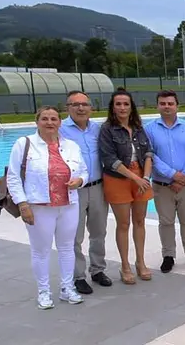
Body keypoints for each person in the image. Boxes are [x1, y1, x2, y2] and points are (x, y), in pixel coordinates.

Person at [8, 106, 89, 309]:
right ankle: (44, 291)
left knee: (67, 247)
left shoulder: (70, 145)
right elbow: (14, 177)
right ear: (37, 122)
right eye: (45, 118)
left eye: (54, 118)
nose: (50, 122)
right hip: (39, 206)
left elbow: (84, 171)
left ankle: (67, 288)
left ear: (60, 122)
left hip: (68, 204)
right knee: (41, 251)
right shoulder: (23, 144)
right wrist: (23, 204)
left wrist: (79, 181)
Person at [98, 88, 154, 285]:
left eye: (126, 104)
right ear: (112, 107)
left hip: (141, 177)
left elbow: (148, 153)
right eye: (118, 104)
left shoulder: (138, 128)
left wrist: (145, 177)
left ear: (131, 107)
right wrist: (135, 178)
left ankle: (141, 262)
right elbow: (109, 159)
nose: (122, 107)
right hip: (118, 179)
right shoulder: (107, 129)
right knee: (123, 224)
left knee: (140, 222)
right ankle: (125, 265)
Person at [145, 90, 185, 273]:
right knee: (166, 222)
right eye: (163, 103)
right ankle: (168, 255)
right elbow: (151, 155)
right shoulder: (149, 129)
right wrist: (172, 175)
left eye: (170, 103)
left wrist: (183, 176)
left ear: (177, 105)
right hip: (163, 185)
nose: (167, 106)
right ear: (158, 106)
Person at [60, 91, 112, 295]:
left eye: (84, 104)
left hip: (98, 187)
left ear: (91, 107)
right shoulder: (60, 130)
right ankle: (78, 276)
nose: (80, 108)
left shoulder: (98, 129)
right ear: (68, 107)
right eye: (75, 104)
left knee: (99, 231)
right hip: (74, 190)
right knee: (75, 235)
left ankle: (98, 270)